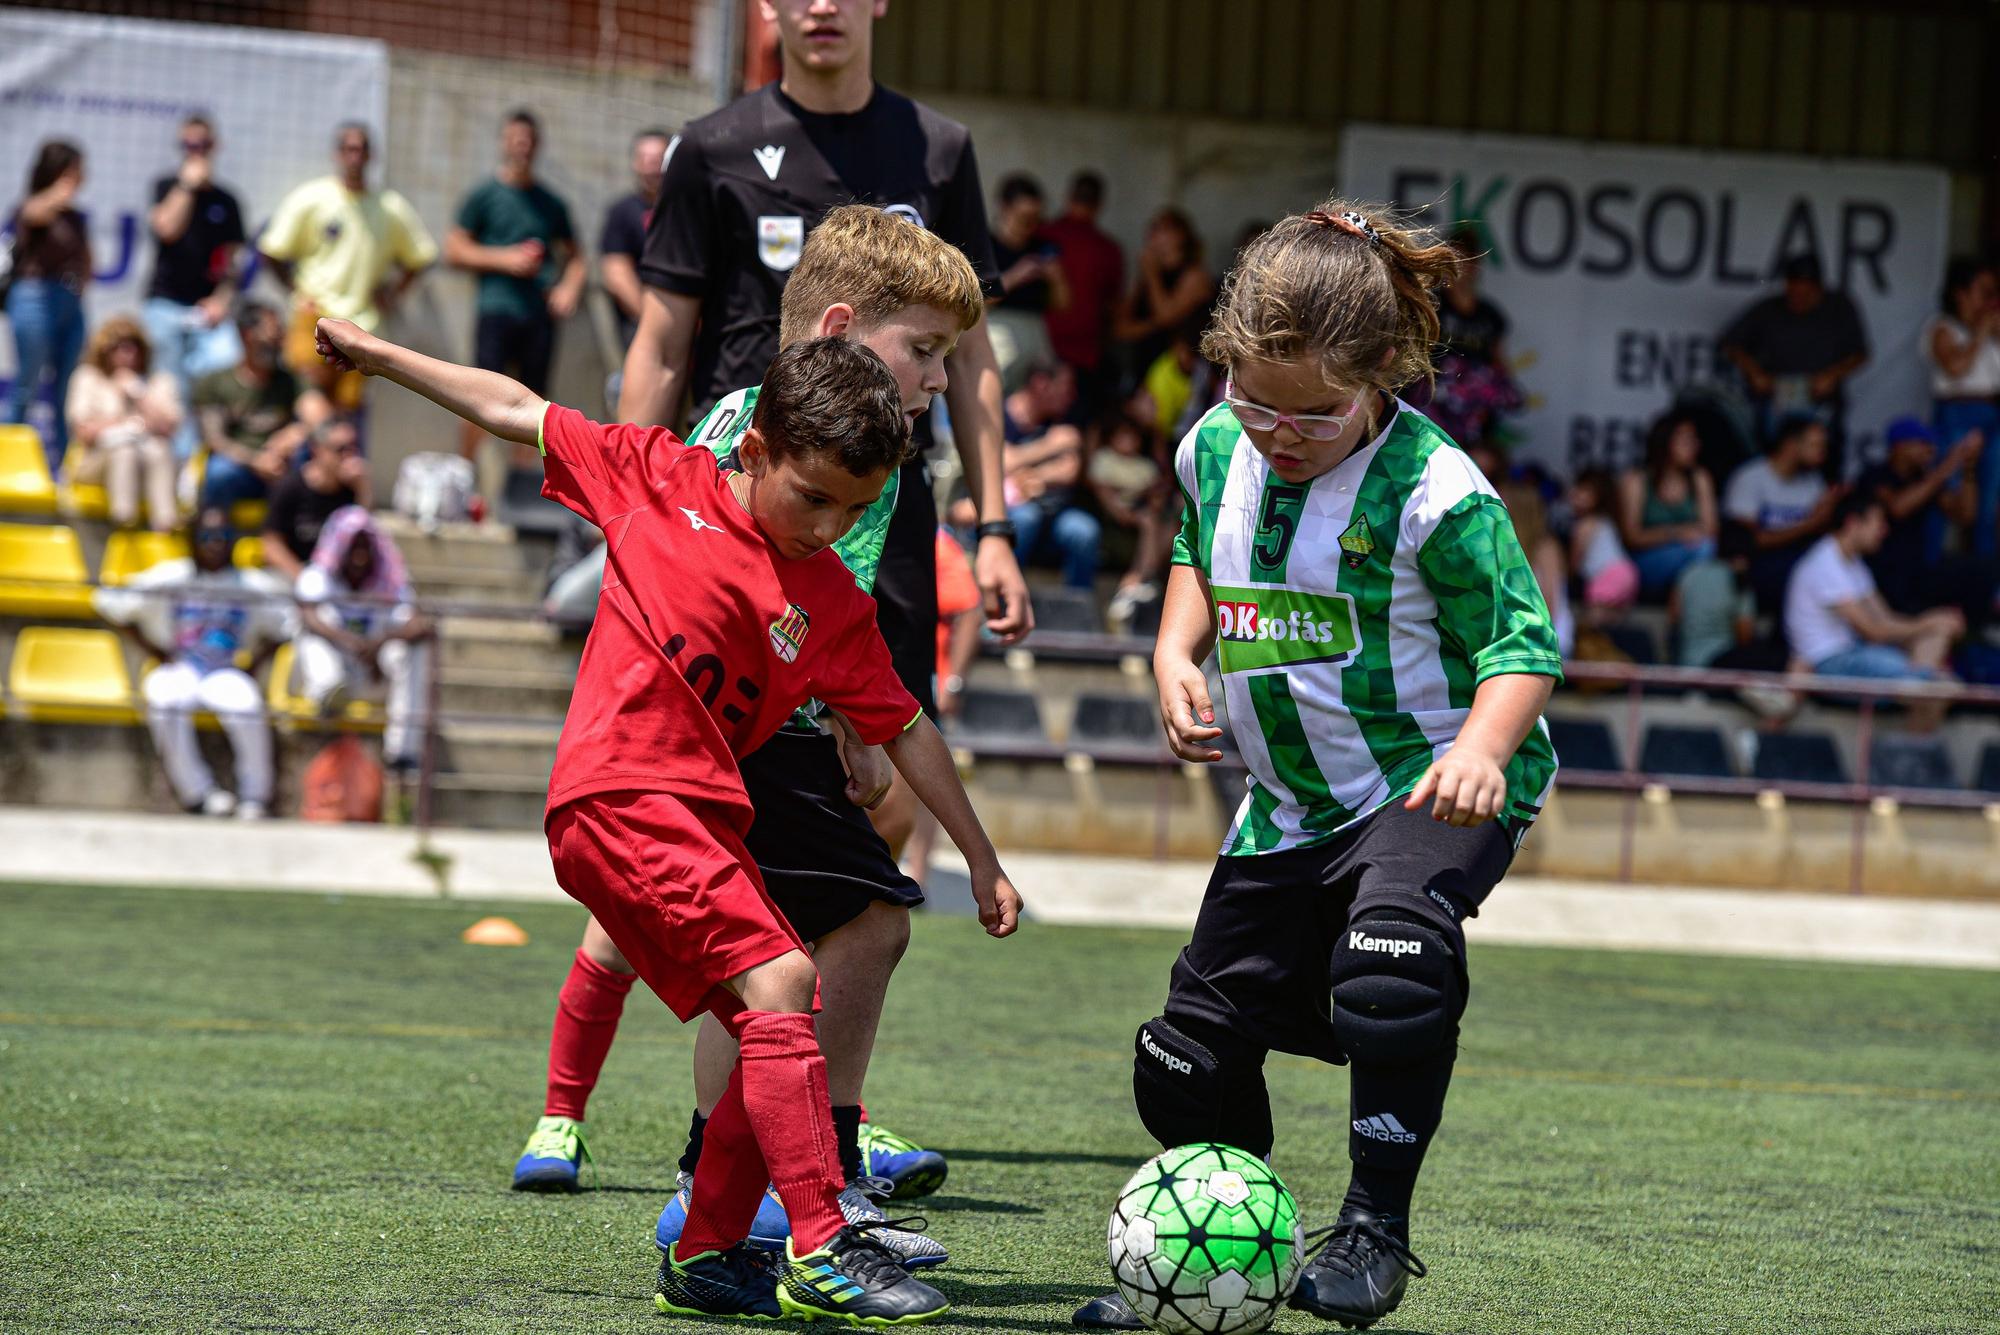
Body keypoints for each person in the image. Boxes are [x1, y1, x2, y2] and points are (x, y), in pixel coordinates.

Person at [313, 315, 1022, 1326]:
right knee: (783, 979)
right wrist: (379, 358)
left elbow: (906, 728)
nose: (826, 527)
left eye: (852, 510)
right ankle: (823, 1243)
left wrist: (983, 861)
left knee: (766, 1019)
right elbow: (514, 407)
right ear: (753, 450)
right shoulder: (655, 478)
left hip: (699, 822)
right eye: (810, 496)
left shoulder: (825, 598)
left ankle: (702, 1257)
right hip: (614, 796)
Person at [1074, 201, 1562, 1333]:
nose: (1276, 434)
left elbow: (1521, 644)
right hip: (1284, 807)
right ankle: (1224, 1247)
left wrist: (1485, 752)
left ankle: (1371, 1230)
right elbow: (1196, 548)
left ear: (1383, 374)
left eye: (1313, 415)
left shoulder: (1437, 492)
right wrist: (1169, 647)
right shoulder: (1210, 444)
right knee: (1180, 1067)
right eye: (1253, 400)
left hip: (1423, 777)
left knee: (1390, 963)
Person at [514, 209, 986, 1276]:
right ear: (835, 330)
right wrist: (844, 724)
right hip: (734, 742)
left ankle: (734, 1196)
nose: (936, 380)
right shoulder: (810, 443)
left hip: (723, 736)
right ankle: (809, 1191)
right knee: (850, 929)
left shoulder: (780, 426)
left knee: (768, 957)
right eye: (923, 351)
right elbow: (766, 588)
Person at [617, 0, 1034, 772]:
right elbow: (664, 342)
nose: (821, 7)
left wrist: (997, 530)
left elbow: (970, 359)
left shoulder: (941, 150)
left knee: (894, 766)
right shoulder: (711, 148)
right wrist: (634, 508)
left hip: (886, 495)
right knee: (698, 751)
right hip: (743, 493)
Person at [94, 508, 289, 818]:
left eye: (223, 536)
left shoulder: (251, 585)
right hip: (181, 666)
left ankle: (255, 797)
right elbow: (108, 602)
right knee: (163, 699)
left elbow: (287, 625)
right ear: (193, 540)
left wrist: (255, 664)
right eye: (207, 536)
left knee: (247, 706)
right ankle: (199, 794)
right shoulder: (173, 576)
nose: (215, 544)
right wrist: (153, 650)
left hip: (226, 670)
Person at [258, 123, 438, 415]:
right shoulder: (313, 198)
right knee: (306, 398)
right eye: (349, 149)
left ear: (371, 156)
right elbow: (273, 250)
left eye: (361, 149)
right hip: (313, 314)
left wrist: (393, 293)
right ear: (337, 154)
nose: (355, 156)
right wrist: (294, 291)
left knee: (345, 410)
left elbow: (420, 257)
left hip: (361, 322)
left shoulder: (388, 207)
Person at [446, 110, 585, 473]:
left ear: (537, 146)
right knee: (477, 399)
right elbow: (455, 250)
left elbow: (576, 257)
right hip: (495, 310)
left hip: (538, 318)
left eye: (528, 140)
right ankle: (464, 483)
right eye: (515, 139)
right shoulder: (485, 195)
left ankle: (519, 494)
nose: (521, 146)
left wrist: (568, 288)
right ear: (504, 142)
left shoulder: (551, 203)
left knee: (534, 409)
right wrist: (503, 258)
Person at [1784, 490, 1962, 732]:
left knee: (1937, 640)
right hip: (1831, 663)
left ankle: (1919, 685)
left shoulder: (1853, 564)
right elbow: (1873, 631)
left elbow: (1885, 618)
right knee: (1942, 687)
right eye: (1878, 522)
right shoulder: (1825, 562)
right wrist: (1929, 622)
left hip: (1856, 653)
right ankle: (1919, 692)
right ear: (1853, 523)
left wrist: (1935, 625)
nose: (1884, 531)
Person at [291, 506, 434, 772]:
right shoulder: (318, 577)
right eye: (352, 547)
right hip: (332, 670)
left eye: (364, 548)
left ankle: (402, 754)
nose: (358, 556)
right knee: (313, 630)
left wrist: (378, 643)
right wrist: (350, 641)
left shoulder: (389, 579)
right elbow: (307, 616)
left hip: (371, 672)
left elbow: (420, 625)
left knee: (413, 649)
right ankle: (327, 694)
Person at [143, 114, 247, 457]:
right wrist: (187, 186)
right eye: (189, 145)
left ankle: (208, 461)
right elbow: (166, 229)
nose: (196, 151)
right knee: (168, 388)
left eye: (201, 144)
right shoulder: (166, 187)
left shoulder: (227, 201)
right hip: (166, 304)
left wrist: (222, 300)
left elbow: (233, 265)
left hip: (207, 310)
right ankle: (174, 465)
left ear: (214, 147)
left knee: (219, 376)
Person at [1720, 253, 1869, 462]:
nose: (1798, 300)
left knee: (1823, 457)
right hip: (1777, 397)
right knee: (1770, 455)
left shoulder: (1839, 307)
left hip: (1819, 401)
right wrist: (1754, 373)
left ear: (1818, 289)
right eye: (1794, 293)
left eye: (1806, 294)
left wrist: (1833, 375)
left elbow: (1861, 354)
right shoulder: (1770, 309)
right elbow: (1729, 343)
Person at [4, 140, 90, 471]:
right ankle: (9, 463)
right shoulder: (32, 206)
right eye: (75, 171)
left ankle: (63, 466)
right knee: (27, 381)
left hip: (69, 301)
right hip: (33, 297)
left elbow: (86, 261)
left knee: (66, 389)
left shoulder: (76, 217)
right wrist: (60, 190)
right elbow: (33, 213)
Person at [1856, 417, 1990, 623]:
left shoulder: (1925, 477)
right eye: (1923, 444)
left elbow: (1965, 515)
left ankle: (1975, 638)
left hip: (1917, 571)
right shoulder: (1875, 474)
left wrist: (1968, 469)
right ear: (1900, 446)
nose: (1930, 450)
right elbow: (1898, 508)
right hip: (1878, 575)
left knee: (1981, 568)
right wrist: (1949, 465)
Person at [193, 303, 327, 508]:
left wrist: (297, 432)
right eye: (271, 335)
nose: (277, 342)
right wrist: (256, 460)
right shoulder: (215, 382)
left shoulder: (291, 381)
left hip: (283, 466)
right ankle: (215, 536)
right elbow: (215, 440)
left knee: (307, 463)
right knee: (219, 472)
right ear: (246, 335)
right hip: (240, 465)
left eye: (280, 336)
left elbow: (320, 418)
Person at [64, 316, 182, 531]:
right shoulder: (87, 378)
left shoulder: (158, 381)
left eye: (133, 347)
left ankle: (165, 525)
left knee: (160, 449)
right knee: (124, 450)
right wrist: (124, 424)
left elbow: (169, 428)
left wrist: (139, 394)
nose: (126, 354)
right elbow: (83, 432)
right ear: (104, 350)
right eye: (117, 347)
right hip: (95, 462)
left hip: (147, 462)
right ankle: (124, 522)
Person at [1722, 413, 1838, 612]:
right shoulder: (1751, 477)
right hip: (1759, 566)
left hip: (1801, 562)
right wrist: (1810, 524)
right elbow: (1748, 541)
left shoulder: (1813, 481)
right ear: (1791, 445)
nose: (1823, 452)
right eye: (1816, 445)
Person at [1923, 258, 2000, 557]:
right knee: (1948, 494)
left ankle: (1984, 578)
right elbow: (1956, 368)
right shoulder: (1943, 328)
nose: (1991, 299)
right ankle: (1930, 572)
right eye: (1984, 291)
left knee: (1989, 501)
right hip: (1958, 412)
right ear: (1961, 293)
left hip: (1993, 413)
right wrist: (1980, 331)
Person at [1003, 360, 1100, 590]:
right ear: (1041, 384)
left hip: (1056, 516)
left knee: (1084, 531)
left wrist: (1030, 476)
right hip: (1010, 511)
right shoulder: (1000, 414)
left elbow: (1069, 471)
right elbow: (1001, 463)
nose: (1071, 396)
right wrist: (1049, 446)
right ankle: (1002, 601)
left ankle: (1077, 611)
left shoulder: (1062, 417)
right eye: (1066, 387)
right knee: (1025, 519)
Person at [1040, 171, 1124, 417]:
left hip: (1044, 348)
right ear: (1099, 204)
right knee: (1076, 425)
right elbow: (1113, 307)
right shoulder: (1108, 250)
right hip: (1085, 354)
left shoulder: (1044, 235)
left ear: (1068, 197)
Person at [1617, 410, 1718, 599]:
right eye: (1687, 440)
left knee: (1706, 548)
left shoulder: (1699, 478)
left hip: (1691, 560)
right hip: (1647, 563)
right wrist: (1677, 533)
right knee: (1702, 550)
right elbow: (1631, 537)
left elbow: (1710, 530)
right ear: (1666, 442)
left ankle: (1680, 602)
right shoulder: (1637, 480)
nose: (1695, 446)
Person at [1113, 208, 1214, 389]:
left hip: (1177, 372)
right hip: (1145, 362)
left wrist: (1151, 275)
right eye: (1152, 228)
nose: (1153, 235)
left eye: (1162, 229)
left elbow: (1166, 317)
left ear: (1180, 236)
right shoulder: (1150, 274)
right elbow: (1123, 326)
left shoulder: (1194, 276)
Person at [1086, 404, 1172, 618]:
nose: (1128, 442)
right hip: (1113, 527)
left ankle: (1137, 580)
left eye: (1132, 437)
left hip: (1143, 523)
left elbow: (1157, 494)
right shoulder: (1104, 460)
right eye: (1122, 436)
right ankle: (1138, 578)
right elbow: (1111, 503)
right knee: (1149, 522)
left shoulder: (1145, 467)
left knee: (1169, 528)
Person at [261, 417, 368, 580]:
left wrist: (364, 489)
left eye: (354, 448)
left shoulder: (352, 490)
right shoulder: (290, 486)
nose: (349, 457)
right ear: (317, 450)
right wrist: (304, 580)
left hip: (336, 581)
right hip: (294, 577)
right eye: (341, 449)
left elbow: (366, 538)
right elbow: (271, 544)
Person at [599, 127, 673, 356]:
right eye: (645, 159)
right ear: (635, 164)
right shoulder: (622, 212)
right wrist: (656, 323)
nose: (651, 167)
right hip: (640, 326)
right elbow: (616, 274)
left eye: (658, 159)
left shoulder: (688, 210)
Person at [1500, 481, 1572, 657]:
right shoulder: (1503, 546)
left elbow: (1549, 606)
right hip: (1515, 635)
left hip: (1545, 639)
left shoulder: (1546, 547)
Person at [1566, 469, 1639, 623]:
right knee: (1613, 620)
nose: (1576, 494)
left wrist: (1565, 577)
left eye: (1584, 491)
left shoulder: (1584, 525)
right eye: (1577, 488)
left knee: (1592, 618)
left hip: (1609, 575)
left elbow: (1574, 561)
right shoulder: (1606, 521)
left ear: (1598, 497)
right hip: (1627, 572)